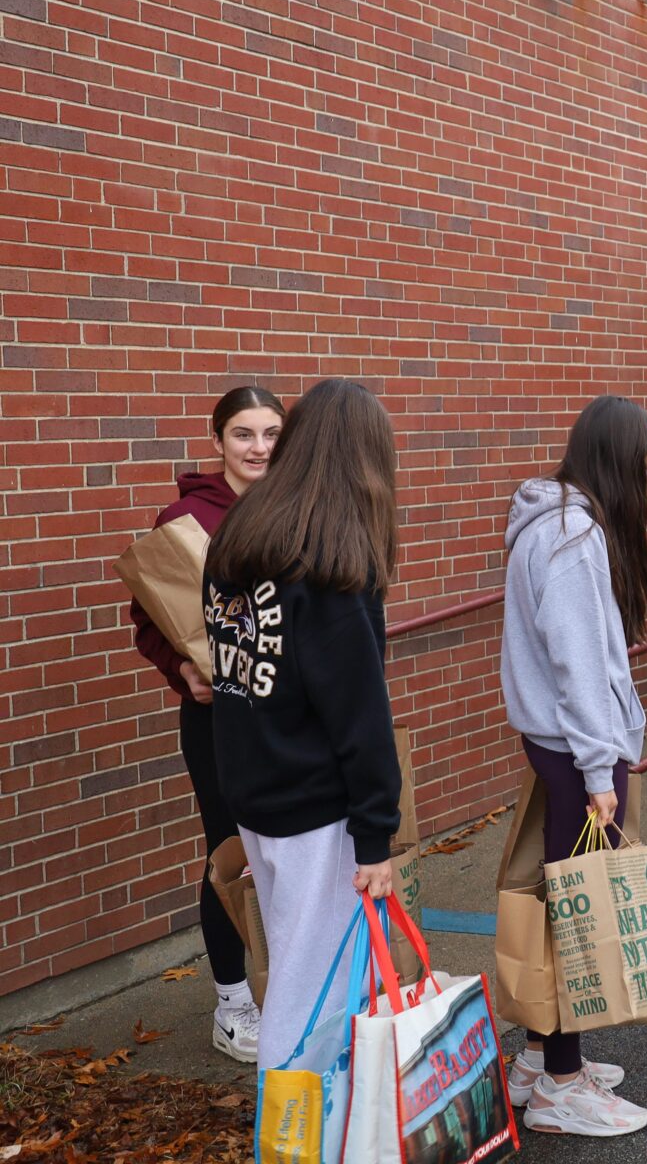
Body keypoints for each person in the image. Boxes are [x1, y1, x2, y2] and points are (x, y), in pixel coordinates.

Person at [202, 379, 401, 1072]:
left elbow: (233, 675)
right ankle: (294, 1136)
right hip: (316, 807)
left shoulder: (242, 536)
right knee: (308, 991)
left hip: (260, 793)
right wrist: (377, 834)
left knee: (300, 964)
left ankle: (321, 1127)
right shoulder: (328, 568)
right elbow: (362, 718)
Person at [500, 395, 647, 1136]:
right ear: (619, 459)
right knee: (574, 914)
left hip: (558, 743)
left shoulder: (554, 520)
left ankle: (543, 1057)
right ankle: (561, 1086)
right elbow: (575, 662)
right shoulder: (572, 535)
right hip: (576, 749)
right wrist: (602, 771)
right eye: (645, 460)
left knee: (557, 902)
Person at [129, 385, 284, 1063]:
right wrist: (181, 673)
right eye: (244, 434)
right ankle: (231, 1005)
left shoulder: (294, 507)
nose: (258, 448)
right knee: (232, 852)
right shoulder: (185, 516)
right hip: (218, 721)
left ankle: (288, 989)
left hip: (285, 718)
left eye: (271, 434)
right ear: (218, 440)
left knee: (288, 853)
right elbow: (148, 621)